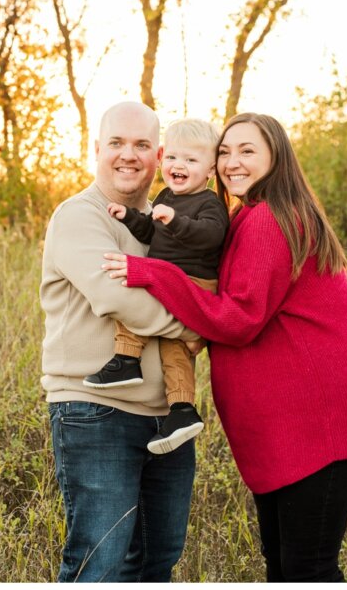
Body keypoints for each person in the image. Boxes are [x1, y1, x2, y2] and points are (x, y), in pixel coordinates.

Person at [103, 112, 347, 582]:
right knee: (285, 564)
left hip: (320, 413)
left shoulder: (269, 221)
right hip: (292, 417)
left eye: (248, 151)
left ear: (276, 156)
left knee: (306, 568)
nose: (233, 162)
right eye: (225, 151)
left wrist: (153, 274)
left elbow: (236, 321)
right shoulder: (246, 216)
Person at [40, 101, 201, 582]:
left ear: (159, 155)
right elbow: (120, 300)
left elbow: (206, 278)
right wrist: (197, 326)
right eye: (116, 143)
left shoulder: (169, 221)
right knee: (101, 563)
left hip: (167, 419)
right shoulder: (78, 216)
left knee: (157, 562)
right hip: (95, 412)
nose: (127, 155)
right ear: (96, 150)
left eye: (140, 145)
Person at [84, 118, 229, 455]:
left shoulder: (209, 204)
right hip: (171, 278)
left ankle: (127, 360)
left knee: (137, 292)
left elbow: (212, 235)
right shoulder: (165, 196)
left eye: (191, 161)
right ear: (164, 160)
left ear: (210, 170)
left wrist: (176, 221)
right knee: (172, 347)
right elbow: (151, 233)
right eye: (174, 158)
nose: (179, 166)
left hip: (192, 281)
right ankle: (181, 409)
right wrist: (129, 217)